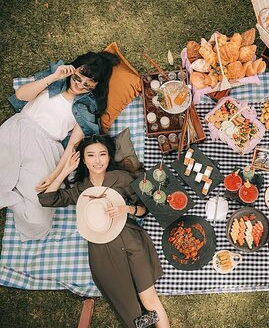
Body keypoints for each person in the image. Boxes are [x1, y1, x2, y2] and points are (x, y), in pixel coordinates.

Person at [38, 135, 170, 328]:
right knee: (129, 312)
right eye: (91, 155)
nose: (97, 160)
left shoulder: (122, 178)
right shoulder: (81, 189)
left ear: (109, 157)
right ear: (83, 160)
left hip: (130, 240)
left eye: (102, 154)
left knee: (149, 302)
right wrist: (65, 170)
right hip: (102, 251)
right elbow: (46, 199)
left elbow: (144, 210)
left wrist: (128, 209)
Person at [0, 51, 119, 240]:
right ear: (74, 69)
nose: (79, 85)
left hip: (46, 147)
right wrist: (54, 76)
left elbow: (73, 144)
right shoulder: (55, 79)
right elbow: (21, 95)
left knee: (39, 222)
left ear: (96, 86)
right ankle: (10, 187)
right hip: (19, 129)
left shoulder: (87, 107)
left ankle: (11, 194)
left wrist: (54, 175)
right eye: (78, 77)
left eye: (88, 84)